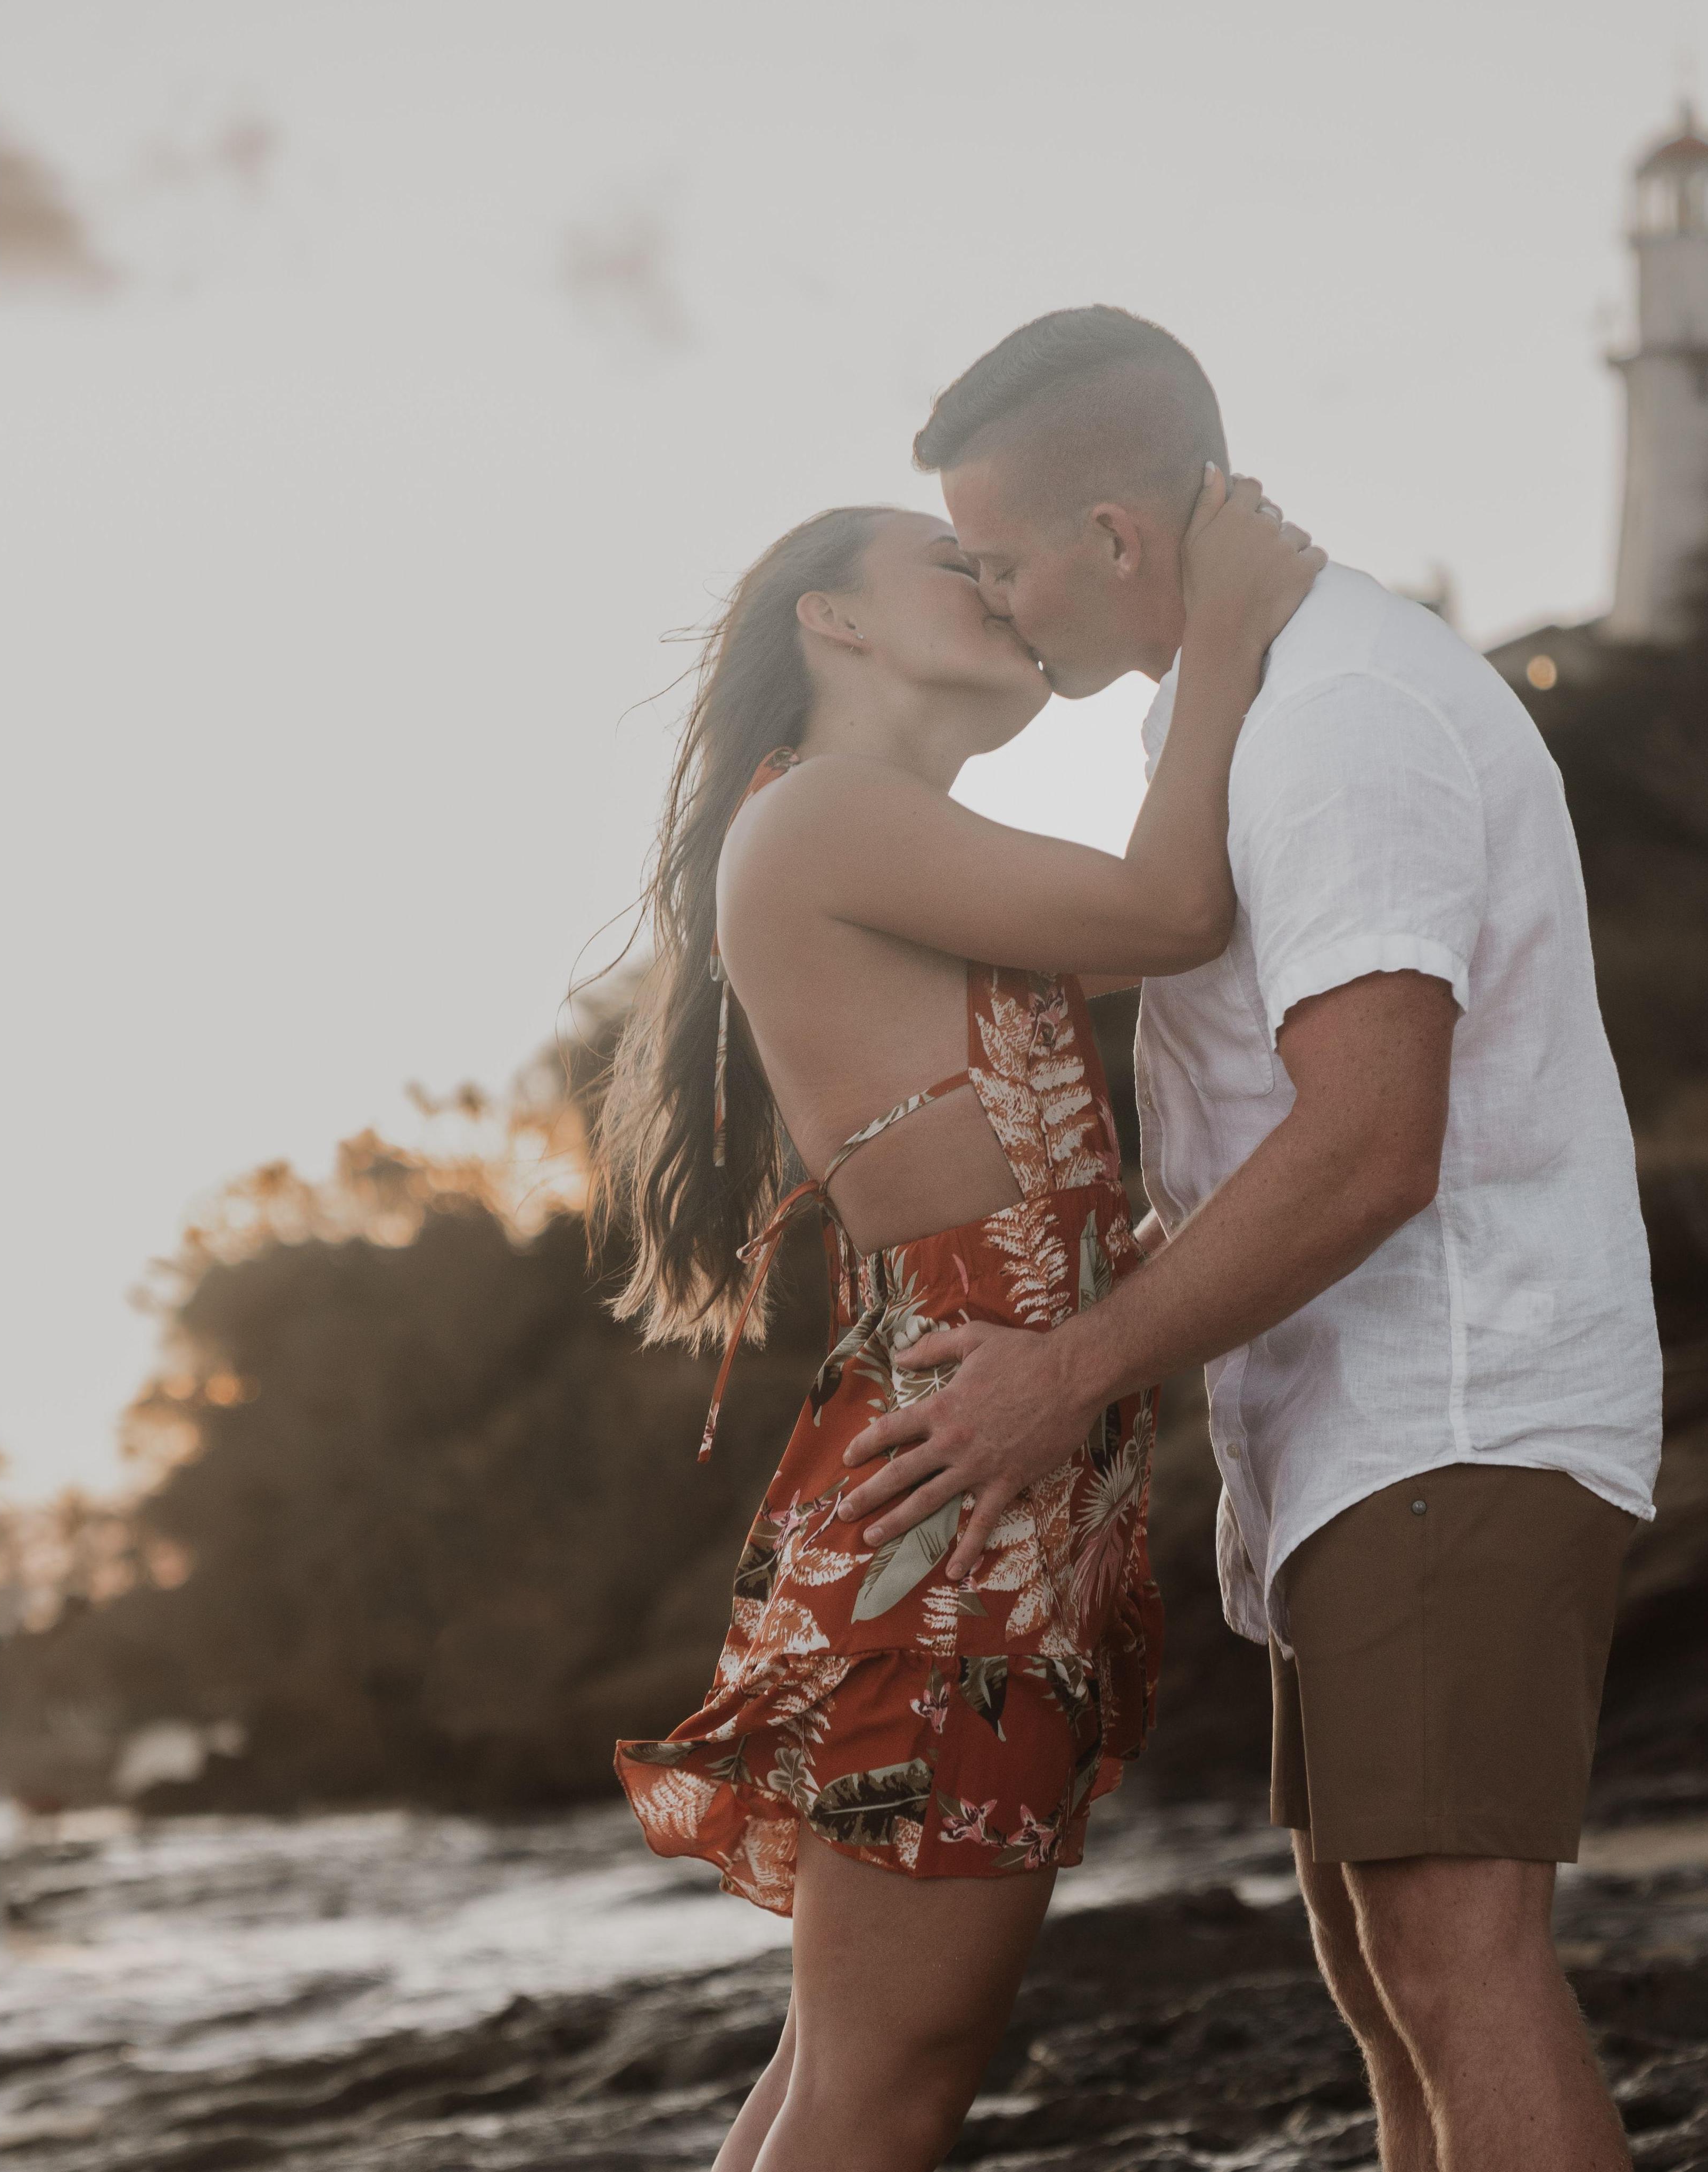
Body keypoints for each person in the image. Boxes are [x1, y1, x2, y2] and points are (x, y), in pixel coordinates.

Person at [842, 306, 1662, 2172]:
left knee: (1456, 1960)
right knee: (1385, 1969)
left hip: (1451, 1404)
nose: (990, 596)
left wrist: (1063, 1375)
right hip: (1357, 1433)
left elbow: (1372, 1141)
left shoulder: (1339, 722)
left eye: (997, 557)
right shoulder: (1262, 705)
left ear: (1115, 538)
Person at [594, 474, 1321, 2170]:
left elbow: (1025, 1171)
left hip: (980, 1465)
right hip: (962, 1494)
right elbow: (1172, 912)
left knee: (844, 2070)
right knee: (886, 2081)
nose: (999, 583)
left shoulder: (849, 822)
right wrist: (1219, 631)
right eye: (953, 564)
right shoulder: (832, 811)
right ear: (831, 621)